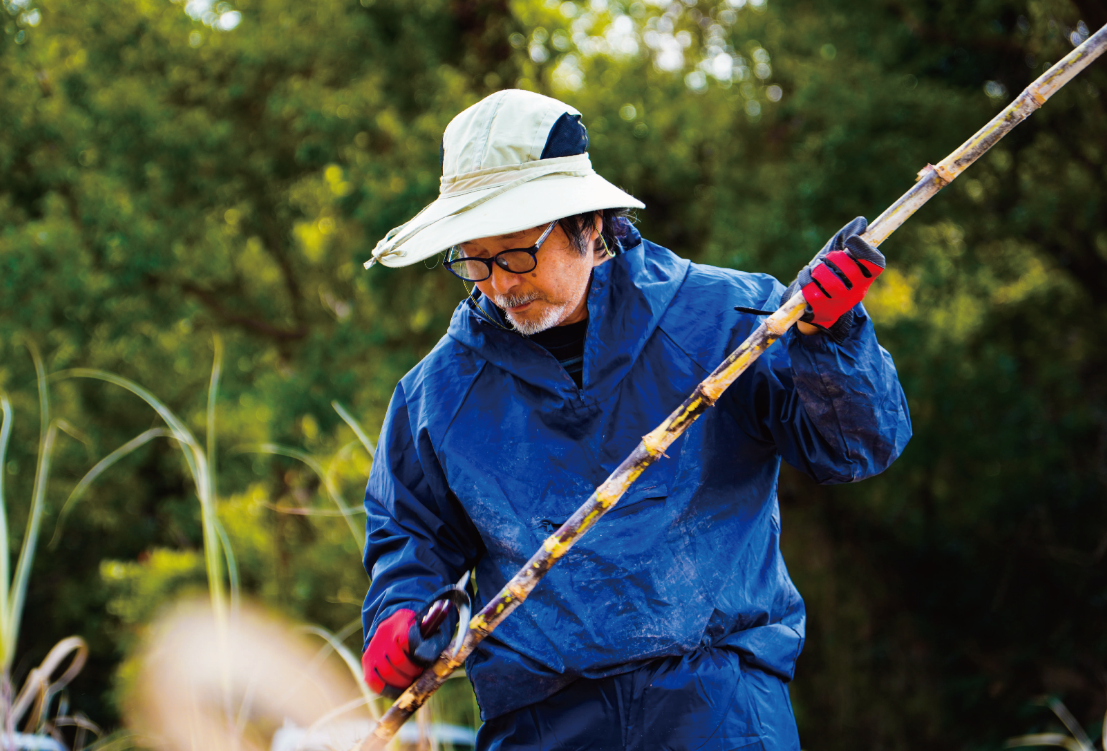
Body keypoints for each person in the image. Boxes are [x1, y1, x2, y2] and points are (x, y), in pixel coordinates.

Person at [358, 89, 911, 750]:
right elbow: (409, 538)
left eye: (515, 254)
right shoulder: (435, 396)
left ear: (589, 226)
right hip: (540, 726)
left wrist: (831, 338)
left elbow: (856, 448)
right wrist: (399, 619)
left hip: (722, 712)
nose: (499, 284)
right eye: (473, 261)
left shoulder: (729, 319)